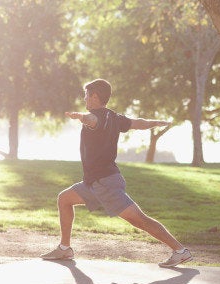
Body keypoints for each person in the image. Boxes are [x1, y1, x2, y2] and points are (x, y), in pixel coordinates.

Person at [41, 79, 192, 267]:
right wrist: (156, 122)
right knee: (64, 199)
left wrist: (80, 116)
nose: (85, 98)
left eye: (86, 94)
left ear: (95, 97)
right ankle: (65, 249)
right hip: (94, 182)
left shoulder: (95, 117)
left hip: (105, 184)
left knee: (141, 221)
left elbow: (91, 120)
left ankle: (180, 251)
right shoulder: (115, 117)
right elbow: (138, 123)